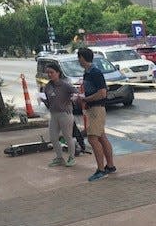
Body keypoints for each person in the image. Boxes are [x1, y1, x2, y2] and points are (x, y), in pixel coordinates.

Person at [76, 47, 116, 181]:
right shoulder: (87, 73)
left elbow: (102, 93)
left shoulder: (95, 72)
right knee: (102, 137)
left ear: (83, 58)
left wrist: (86, 99)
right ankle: (110, 166)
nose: (78, 60)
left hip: (97, 109)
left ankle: (101, 169)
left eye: (79, 57)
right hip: (93, 108)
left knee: (93, 138)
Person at [41, 61, 78, 167]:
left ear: (58, 73)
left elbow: (75, 93)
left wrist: (73, 98)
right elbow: (48, 100)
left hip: (65, 114)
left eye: (51, 72)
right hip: (53, 114)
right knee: (53, 137)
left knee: (67, 136)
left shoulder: (65, 85)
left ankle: (71, 157)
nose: (49, 75)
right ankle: (59, 157)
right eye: (47, 73)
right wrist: (43, 100)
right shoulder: (47, 86)